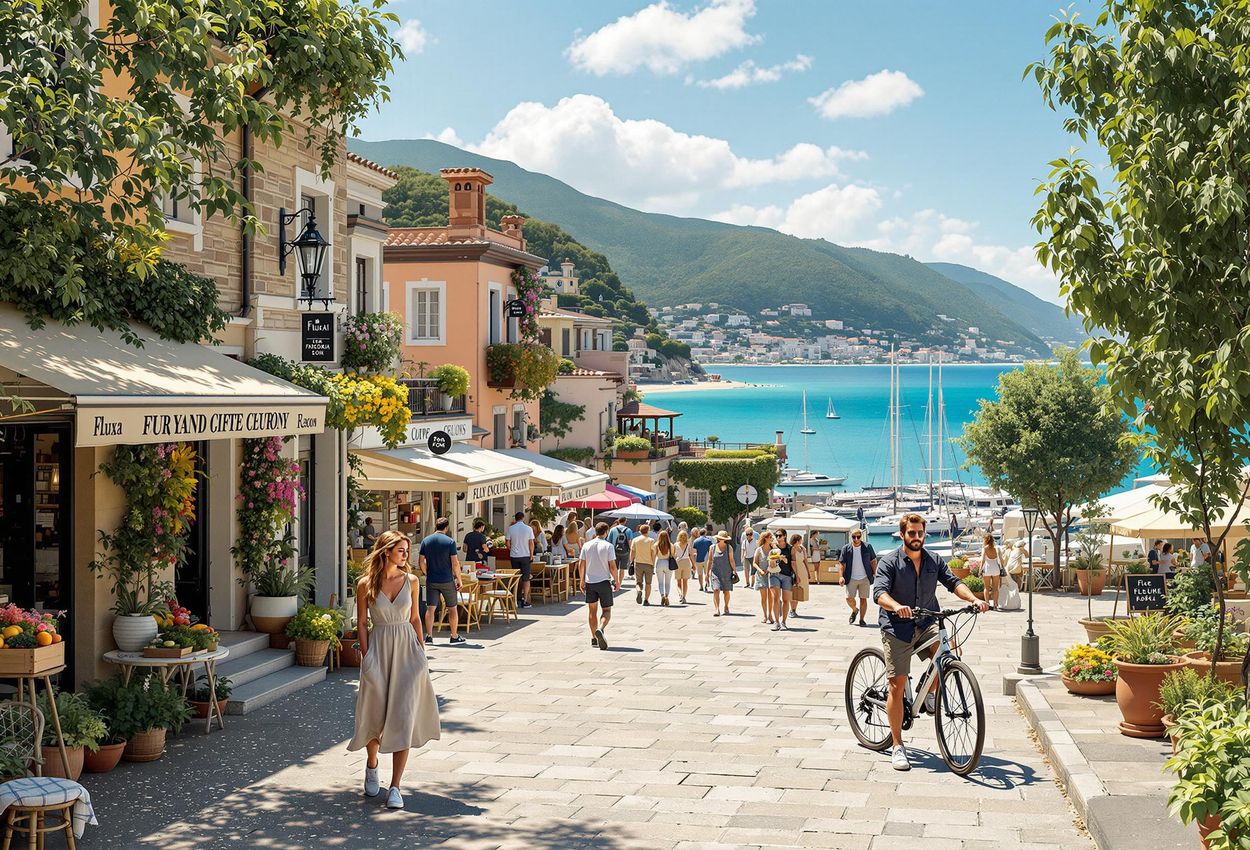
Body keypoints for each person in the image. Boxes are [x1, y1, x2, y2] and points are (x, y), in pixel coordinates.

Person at [872, 513, 987, 771]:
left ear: (924, 534)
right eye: (911, 533)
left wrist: (973, 600)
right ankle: (897, 746)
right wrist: (896, 606)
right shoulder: (889, 562)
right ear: (902, 535)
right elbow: (879, 593)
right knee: (896, 685)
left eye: (919, 533)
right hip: (897, 626)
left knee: (950, 651)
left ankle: (930, 693)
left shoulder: (933, 560)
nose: (916, 537)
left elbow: (954, 582)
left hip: (926, 621)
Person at [349, 531, 441, 809]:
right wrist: (367, 657)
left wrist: (421, 653)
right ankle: (372, 763)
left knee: (403, 716)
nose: (405, 555)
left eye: (406, 550)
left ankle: (395, 787)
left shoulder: (412, 581)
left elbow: (414, 618)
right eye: (400, 550)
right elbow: (362, 624)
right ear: (386, 551)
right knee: (375, 714)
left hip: (407, 651)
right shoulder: (365, 584)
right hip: (378, 649)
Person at [419, 517, 464, 644]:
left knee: (430, 608)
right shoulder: (450, 542)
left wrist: (426, 572)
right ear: (446, 527)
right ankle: (454, 636)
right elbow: (455, 563)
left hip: (432, 580)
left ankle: (429, 636)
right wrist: (459, 579)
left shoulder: (426, 541)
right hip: (446, 580)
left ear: (436, 527)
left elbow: (421, 561)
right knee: (452, 608)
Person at [579, 521, 621, 650]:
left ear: (595, 532)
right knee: (606, 610)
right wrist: (617, 580)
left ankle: (593, 637)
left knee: (592, 611)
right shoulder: (608, 546)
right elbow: (612, 566)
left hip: (590, 582)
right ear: (606, 531)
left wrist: (581, 580)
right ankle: (601, 629)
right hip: (603, 581)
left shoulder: (587, 545)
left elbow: (581, 564)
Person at [839, 530, 878, 626]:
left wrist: (875, 573)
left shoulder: (867, 547)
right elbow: (841, 563)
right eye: (854, 537)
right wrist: (840, 576)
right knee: (849, 598)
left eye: (858, 536)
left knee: (863, 599)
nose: (856, 539)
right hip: (850, 577)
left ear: (861, 536)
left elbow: (873, 560)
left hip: (865, 577)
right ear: (851, 537)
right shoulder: (846, 548)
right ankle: (855, 610)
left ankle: (862, 619)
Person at [506, 511, 535, 608]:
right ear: (523, 518)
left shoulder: (511, 528)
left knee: (516, 578)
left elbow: (508, 543)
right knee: (526, 579)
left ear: (515, 518)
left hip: (514, 556)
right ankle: (525, 600)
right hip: (525, 555)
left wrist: (512, 549)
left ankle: (515, 599)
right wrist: (531, 554)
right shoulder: (528, 529)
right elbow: (531, 543)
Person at [709, 530, 737, 616]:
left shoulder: (729, 548)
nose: (721, 539)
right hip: (715, 572)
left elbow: (732, 560)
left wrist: (735, 571)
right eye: (720, 538)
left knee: (726, 591)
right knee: (716, 590)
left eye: (722, 538)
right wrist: (707, 573)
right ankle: (717, 609)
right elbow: (710, 561)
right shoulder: (712, 548)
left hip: (726, 572)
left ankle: (726, 606)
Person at [752, 531, 776, 623]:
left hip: (771, 574)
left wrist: (769, 569)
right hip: (761, 575)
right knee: (763, 597)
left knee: (771, 596)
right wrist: (760, 570)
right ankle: (764, 615)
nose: (772, 539)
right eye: (770, 537)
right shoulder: (759, 550)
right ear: (765, 538)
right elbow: (754, 563)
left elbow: (776, 561)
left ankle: (770, 615)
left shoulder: (773, 549)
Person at [773, 533, 796, 630]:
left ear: (785, 536)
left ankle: (784, 622)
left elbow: (794, 563)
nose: (778, 537)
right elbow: (771, 562)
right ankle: (776, 622)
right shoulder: (773, 547)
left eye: (780, 535)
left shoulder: (790, 548)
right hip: (775, 575)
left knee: (786, 600)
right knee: (776, 598)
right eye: (776, 535)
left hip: (787, 576)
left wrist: (797, 576)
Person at [631, 523, 657, 605]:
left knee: (638, 582)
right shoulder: (651, 541)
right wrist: (653, 563)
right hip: (648, 563)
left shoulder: (635, 540)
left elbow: (632, 552)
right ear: (648, 531)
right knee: (648, 583)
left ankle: (639, 590)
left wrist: (632, 561)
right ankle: (646, 600)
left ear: (640, 531)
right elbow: (653, 553)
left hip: (638, 563)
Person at [788, 533, 810, 616]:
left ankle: (794, 610)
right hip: (794, 571)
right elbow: (792, 563)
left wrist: (808, 572)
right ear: (797, 540)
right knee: (794, 591)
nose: (802, 541)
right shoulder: (792, 549)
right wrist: (796, 575)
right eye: (801, 539)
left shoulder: (802, 548)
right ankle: (792, 610)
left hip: (802, 571)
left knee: (799, 591)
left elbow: (805, 561)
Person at [980, 533, 1002, 612]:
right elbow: (1001, 560)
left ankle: (987, 604)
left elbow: (982, 560)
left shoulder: (985, 549)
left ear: (985, 540)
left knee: (986, 587)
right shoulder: (997, 548)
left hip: (987, 569)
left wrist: (980, 570)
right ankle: (996, 605)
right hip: (996, 569)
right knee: (995, 588)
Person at [655, 530, 675, 606]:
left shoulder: (657, 544)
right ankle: (667, 596)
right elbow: (673, 554)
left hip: (659, 562)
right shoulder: (671, 545)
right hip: (668, 563)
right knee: (667, 582)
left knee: (660, 582)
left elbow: (654, 554)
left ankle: (662, 595)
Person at [674, 529, 694, 604]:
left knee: (678, 582)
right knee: (685, 582)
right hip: (686, 562)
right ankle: (684, 596)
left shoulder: (675, 544)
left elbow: (673, 555)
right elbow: (691, 555)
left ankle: (680, 595)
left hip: (678, 563)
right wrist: (694, 565)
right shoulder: (688, 545)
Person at [692, 528, 715, 592]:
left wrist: (694, 562)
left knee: (699, 574)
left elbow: (694, 552)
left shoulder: (695, 541)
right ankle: (706, 585)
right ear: (705, 533)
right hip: (706, 559)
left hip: (698, 559)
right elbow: (711, 551)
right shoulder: (708, 541)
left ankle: (701, 586)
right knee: (706, 573)